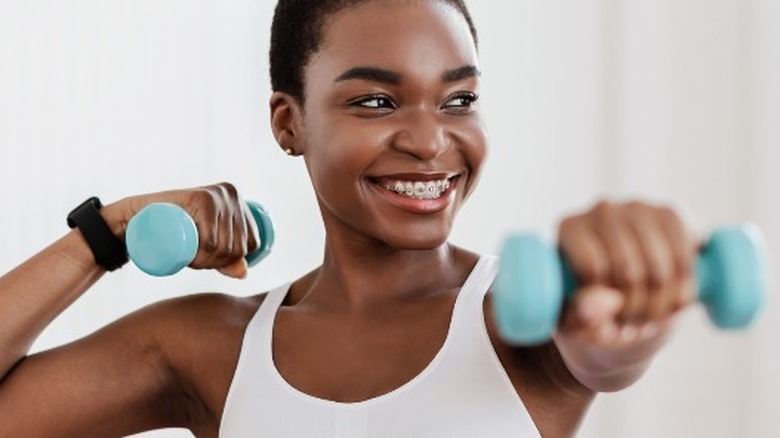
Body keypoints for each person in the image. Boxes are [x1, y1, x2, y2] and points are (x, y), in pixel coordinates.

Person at [0, 0, 698, 437]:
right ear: (289, 122)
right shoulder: (212, 346)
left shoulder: (522, 318)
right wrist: (108, 233)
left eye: (458, 100)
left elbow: (606, 345)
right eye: (376, 102)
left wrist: (633, 310)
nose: (430, 142)